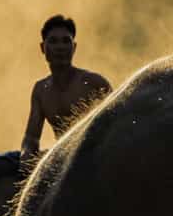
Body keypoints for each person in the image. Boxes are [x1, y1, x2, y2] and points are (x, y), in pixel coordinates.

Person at [21, 14, 112, 162]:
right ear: (42, 47)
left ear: (74, 47)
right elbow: (31, 137)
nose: (60, 47)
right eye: (53, 41)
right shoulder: (41, 90)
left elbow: (116, 125)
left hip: (94, 157)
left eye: (66, 41)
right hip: (61, 159)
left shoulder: (94, 83)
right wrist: (26, 155)